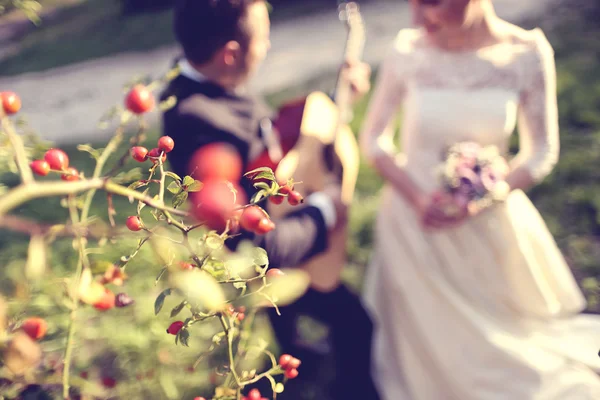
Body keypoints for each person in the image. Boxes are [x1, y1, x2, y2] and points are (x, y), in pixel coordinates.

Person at [359, 0, 600, 399]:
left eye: (431, 3)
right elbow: (373, 140)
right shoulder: (408, 51)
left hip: (488, 220)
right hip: (414, 223)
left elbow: (542, 152)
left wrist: (488, 193)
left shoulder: (526, 53)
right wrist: (418, 198)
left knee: (516, 349)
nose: (418, 18)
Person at [160, 1, 379, 399]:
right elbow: (256, 246)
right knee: (355, 330)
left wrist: (337, 103)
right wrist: (327, 209)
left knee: (309, 350)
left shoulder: (201, 86)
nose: (266, 46)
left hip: (285, 243)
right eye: (262, 37)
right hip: (270, 269)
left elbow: (271, 155)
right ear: (230, 53)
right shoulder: (202, 125)